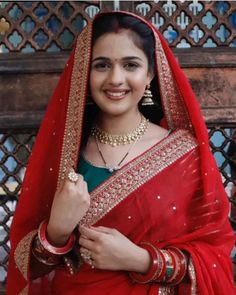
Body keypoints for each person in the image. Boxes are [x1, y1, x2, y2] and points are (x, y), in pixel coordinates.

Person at [7, 11, 235, 295]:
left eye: (130, 65)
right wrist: (57, 231)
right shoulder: (64, 157)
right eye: (102, 65)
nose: (116, 78)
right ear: (84, 74)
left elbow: (214, 257)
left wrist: (140, 260)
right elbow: (26, 266)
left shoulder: (184, 155)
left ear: (150, 73)